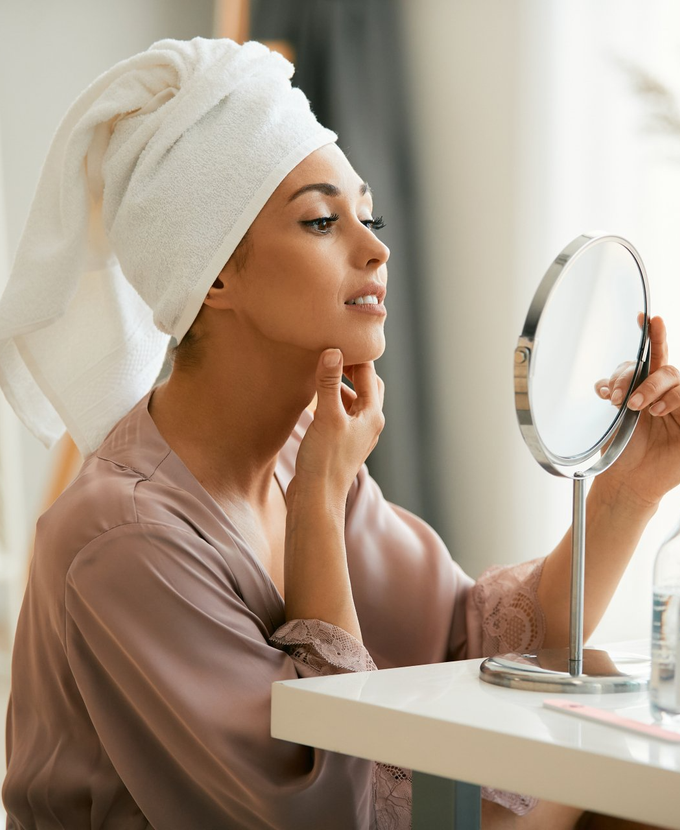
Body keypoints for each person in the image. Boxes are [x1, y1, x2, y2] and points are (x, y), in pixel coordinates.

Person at [0, 37, 678, 830]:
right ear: (213, 272)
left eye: (370, 214)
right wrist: (318, 505)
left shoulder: (305, 458)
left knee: (601, 740)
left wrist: (631, 487)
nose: (378, 250)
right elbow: (322, 816)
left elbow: (475, 645)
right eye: (323, 221)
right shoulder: (121, 541)